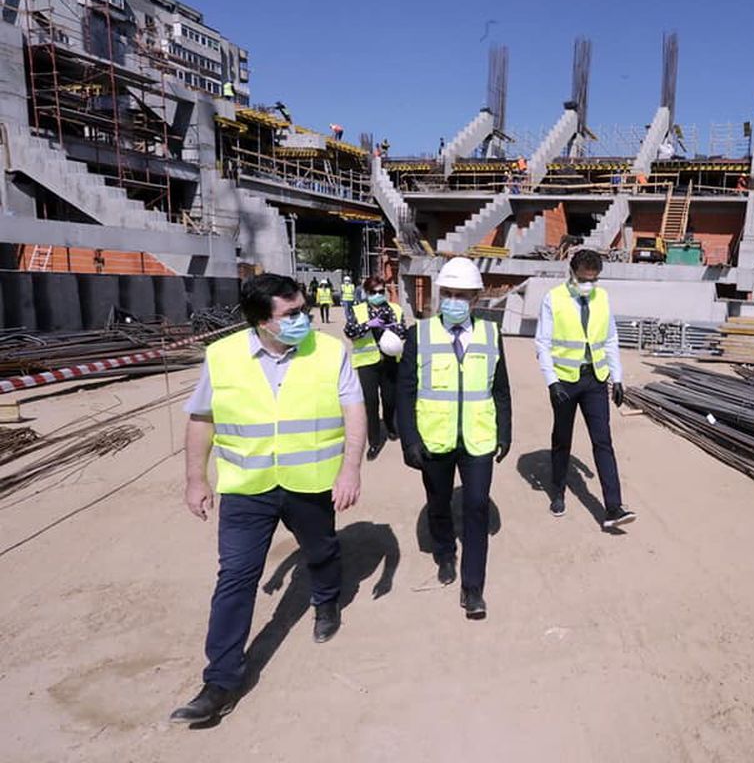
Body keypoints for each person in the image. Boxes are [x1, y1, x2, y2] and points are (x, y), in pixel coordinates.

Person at [170, 273, 366, 725]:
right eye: (291, 314)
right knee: (235, 577)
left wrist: (350, 468)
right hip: (247, 487)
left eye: (303, 310)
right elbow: (202, 419)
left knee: (321, 551)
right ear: (261, 321)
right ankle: (220, 682)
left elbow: (353, 410)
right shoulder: (222, 357)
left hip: (309, 482)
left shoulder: (329, 351)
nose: (303, 319)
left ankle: (326, 601)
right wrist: (195, 478)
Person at [395, 257, 511, 619]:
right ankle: (445, 552)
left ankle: (472, 588)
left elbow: (501, 389)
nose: (453, 301)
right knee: (439, 501)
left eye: (462, 295)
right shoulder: (419, 334)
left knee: (476, 506)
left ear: (476, 298)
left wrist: (504, 432)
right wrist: (409, 439)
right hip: (434, 438)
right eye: (448, 293)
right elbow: (404, 391)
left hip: (478, 438)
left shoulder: (491, 334)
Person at [534, 249, 635, 530]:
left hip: (595, 379)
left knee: (603, 441)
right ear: (572, 273)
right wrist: (551, 381)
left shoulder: (602, 298)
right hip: (565, 382)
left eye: (593, 279)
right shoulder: (554, 298)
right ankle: (557, 491)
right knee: (562, 439)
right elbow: (542, 343)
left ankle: (613, 507)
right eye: (583, 279)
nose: (588, 284)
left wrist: (617, 378)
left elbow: (610, 339)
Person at [344, 276, 405, 461]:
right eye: (373, 292)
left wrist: (392, 328)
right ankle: (374, 441)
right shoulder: (358, 310)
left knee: (390, 399)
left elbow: (403, 331)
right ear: (366, 293)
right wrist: (367, 325)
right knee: (370, 403)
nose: (378, 295)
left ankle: (390, 425)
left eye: (381, 291)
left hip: (390, 361)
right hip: (367, 363)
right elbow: (349, 332)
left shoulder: (395, 309)